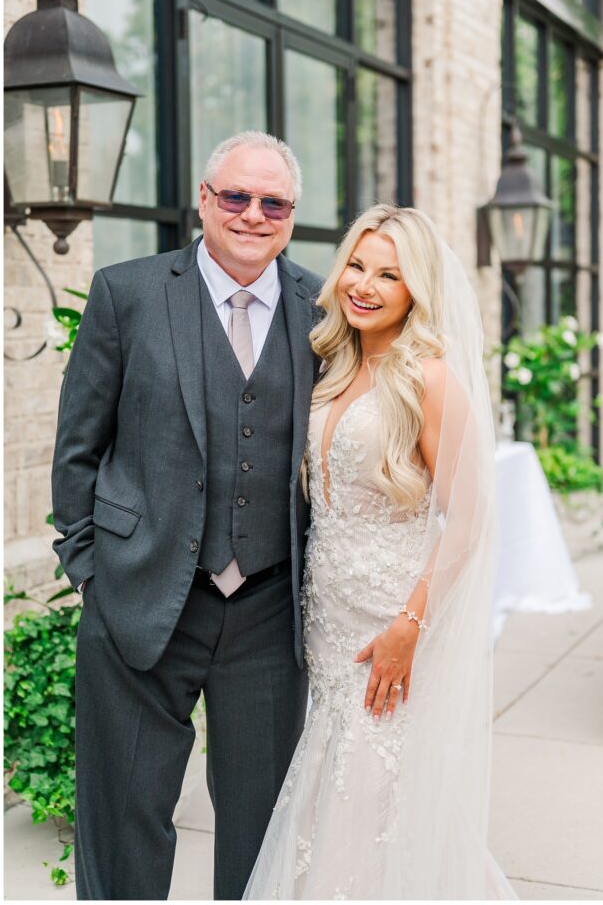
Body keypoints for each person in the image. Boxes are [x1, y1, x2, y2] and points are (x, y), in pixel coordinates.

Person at [51, 131, 323, 900]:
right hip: (139, 598)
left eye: (272, 203)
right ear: (203, 200)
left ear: (292, 215)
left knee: (261, 831)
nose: (252, 214)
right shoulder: (127, 292)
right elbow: (77, 446)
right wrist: (91, 572)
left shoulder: (324, 307)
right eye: (235, 196)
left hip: (270, 609)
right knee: (125, 816)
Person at [244, 204, 517, 900]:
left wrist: (410, 626)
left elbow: (471, 520)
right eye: (358, 266)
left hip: (391, 624)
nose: (365, 285)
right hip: (330, 626)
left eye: (389, 275)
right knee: (341, 795)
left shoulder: (428, 378)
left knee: (375, 800)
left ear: (415, 291)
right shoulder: (332, 361)